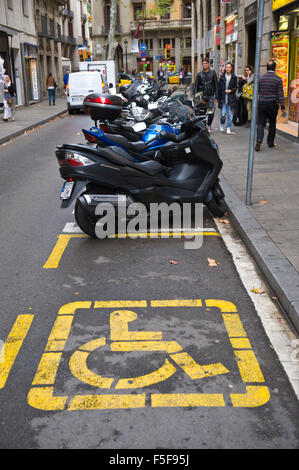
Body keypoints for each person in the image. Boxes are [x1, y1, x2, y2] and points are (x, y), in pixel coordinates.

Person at [255, 60, 286, 151]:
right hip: (272, 104)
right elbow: (280, 94)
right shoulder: (278, 79)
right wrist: (283, 107)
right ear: (275, 68)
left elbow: (257, 91)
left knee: (261, 123)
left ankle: (259, 140)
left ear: (266, 68)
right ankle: (270, 143)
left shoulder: (261, 78)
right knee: (272, 124)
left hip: (262, 104)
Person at [194, 58, 218, 132]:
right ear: (202, 64)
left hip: (211, 96)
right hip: (202, 96)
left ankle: (209, 125)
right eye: (203, 63)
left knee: (211, 112)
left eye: (206, 63)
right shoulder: (199, 74)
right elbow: (196, 86)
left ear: (209, 64)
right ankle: (203, 126)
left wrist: (216, 96)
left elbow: (216, 85)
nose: (205, 65)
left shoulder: (213, 73)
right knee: (201, 112)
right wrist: (196, 97)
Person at [218, 61, 237, 135]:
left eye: (229, 67)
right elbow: (219, 87)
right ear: (225, 68)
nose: (228, 68)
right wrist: (218, 97)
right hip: (223, 98)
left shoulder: (234, 77)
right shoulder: (222, 76)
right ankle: (222, 124)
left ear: (231, 68)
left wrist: (230, 90)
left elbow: (236, 87)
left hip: (231, 98)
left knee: (230, 115)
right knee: (223, 114)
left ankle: (228, 127)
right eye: (227, 67)